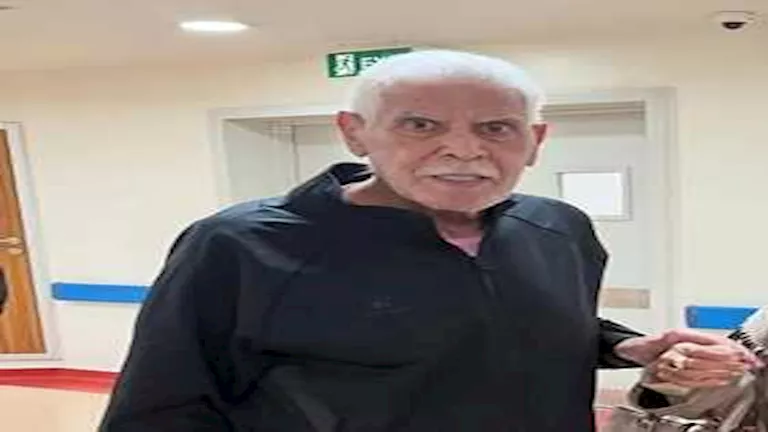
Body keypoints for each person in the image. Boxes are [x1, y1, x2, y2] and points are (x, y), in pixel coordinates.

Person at [99, 50, 762, 431]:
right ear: (355, 133)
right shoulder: (239, 246)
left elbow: (512, 324)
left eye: (497, 128)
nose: (464, 150)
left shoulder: (559, 228)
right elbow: (160, 412)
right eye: (420, 125)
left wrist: (625, 346)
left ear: (535, 141)